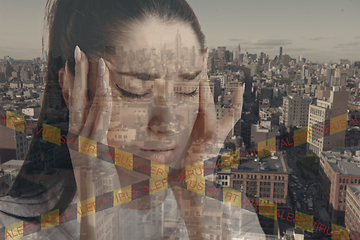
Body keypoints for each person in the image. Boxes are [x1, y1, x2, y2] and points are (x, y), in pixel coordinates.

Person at [0, 0, 265, 239]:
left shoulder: (234, 218)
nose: (168, 123)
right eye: (134, 91)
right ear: (72, 90)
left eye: (187, 89)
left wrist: (198, 205)